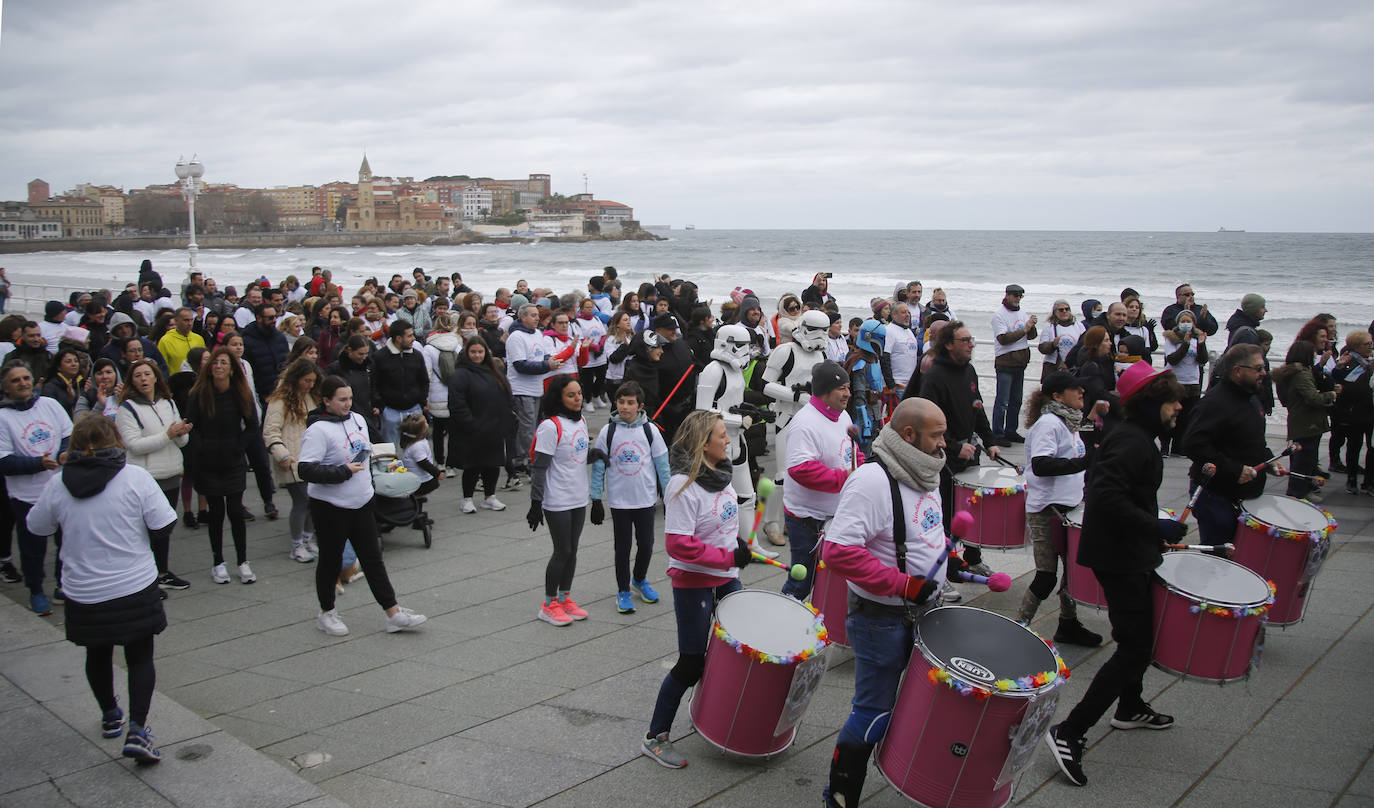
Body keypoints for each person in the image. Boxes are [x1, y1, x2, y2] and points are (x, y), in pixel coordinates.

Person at [1045, 364, 1189, 787]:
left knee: (1139, 640)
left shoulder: (1136, 437)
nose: (1179, 406)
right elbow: (1105, 497)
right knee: (1135, 646)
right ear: (1151, 403)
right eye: (1172, 400)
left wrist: (1151, 531)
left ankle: (1129, 707)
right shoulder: (1131, 440)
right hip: (1119, 555)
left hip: (1129, 549)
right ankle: (1070, 731)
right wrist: (1155, 526)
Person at [818, 399, 965, 806]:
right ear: (908, 435)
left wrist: (950, 559)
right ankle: (840, 794)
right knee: (873, 712)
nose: (944, 443)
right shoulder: (872, 481)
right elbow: (839, 551)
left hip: (923, 613)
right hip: (881, 619)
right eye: (937, 435)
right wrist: (902, 584)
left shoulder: (924, 470)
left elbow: (921, 534)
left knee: (922, 704)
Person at [27, 414, 175, 763]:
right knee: (140, 656)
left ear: (74, 447)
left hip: (85, 590)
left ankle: (110, 714)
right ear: (116, 443)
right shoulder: (135, 478)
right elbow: (164, 523)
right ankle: (139, 728)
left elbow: (36, 526)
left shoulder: (59, 483)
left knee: (97, 653)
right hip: (133, 584)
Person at [640, 409, 753, 768]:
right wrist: (726, 554)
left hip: (725, 576)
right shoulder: (681, 484)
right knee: (692, 663)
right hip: (694, 582)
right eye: (722, 435)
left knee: (737, 652)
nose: (728, 440)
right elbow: (679, 546)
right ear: (705, 444)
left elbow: (720, 522)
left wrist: (738, 545)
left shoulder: (721, 474)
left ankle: (716, 718)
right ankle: (655, 737)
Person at [299, 375, 427, 637]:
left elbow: (371, 446)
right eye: (342, 400)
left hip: (361, 501)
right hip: (330, 506)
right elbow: (305, 469)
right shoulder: (318, 430)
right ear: (326, 401)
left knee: (372, 559)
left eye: (350, 398)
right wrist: (342, 471)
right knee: (330, 561)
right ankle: (327, 613)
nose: (348, 404)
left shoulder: (357, 419)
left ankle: (393, 613)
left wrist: (384, 466)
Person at [1018, 371, 1101, 645]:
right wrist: (1085, 462)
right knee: (1046, 576)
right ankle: (1018, 627)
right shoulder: (1049, 424)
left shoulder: (1069, 423)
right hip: (1046, 510)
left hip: (1068, 509)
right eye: (1075, 390)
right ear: (1057, 396)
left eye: (1082, 389)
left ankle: (1068, 623)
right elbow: (1041, 465)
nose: (1082, 393)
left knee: (1071, 572)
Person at [916, 320, 1000, 581]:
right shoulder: (934, 376)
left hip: (969, 450)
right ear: (950, 344)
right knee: (945, 514)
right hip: (943, 456)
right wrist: (953, 447)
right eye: (966, 340)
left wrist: (989, 439)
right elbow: (926, 421)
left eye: (972, 339)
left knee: (971, 510)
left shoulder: (970, 370)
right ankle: (947, 570)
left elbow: (977, 407)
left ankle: (973, 559)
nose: (972, 344)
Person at [1181, 343, 1284, 551]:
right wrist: (1234, 470)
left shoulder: (1252, 398)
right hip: (1216, 496)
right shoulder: (1214, 403)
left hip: (1243, 496)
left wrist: (1268, 462)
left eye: (1264, 368)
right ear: (1238, 371)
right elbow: (1193, 444)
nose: (1263, 373)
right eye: (1258, 368)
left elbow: (1252, 440)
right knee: (1218, 560)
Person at [780, 361, 862, 600]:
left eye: (848, 387)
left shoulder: (843, 415)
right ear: (825, 391)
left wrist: (861, 466)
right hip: (807, 518)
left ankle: (817, 625)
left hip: (835, 513)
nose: (848, 393)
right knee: (801, 582)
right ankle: (780, 622)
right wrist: (843, 478)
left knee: (830, 579)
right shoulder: (805, 423)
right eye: (842, 389)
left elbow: (853, 450)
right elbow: (800, 469)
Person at [588, 380, 671, 614]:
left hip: (645, 499)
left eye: (630, 403)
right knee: (622, 548)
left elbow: (663, 467)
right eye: (621, 402)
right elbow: (598, 467)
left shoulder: (650, 431)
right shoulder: (608, 431)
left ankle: (639, 579)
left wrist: (669, 497)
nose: (625, 407)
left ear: (640, 406)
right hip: (619, 501)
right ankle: (623, 590)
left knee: (646, 545)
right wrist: (595, 498)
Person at [0, 359, 74, 614]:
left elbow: (68, 434)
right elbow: (4, 461)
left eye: (25, 378)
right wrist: (38, 464)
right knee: (32, 549)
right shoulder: (3, 417)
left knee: (66, 542)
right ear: (6, 388)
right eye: (15, 380)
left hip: (61, 489)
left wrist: (64, 453)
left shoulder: (50, 405)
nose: (22, 383)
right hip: (26, 496)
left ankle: (63, 585)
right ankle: (35, 591)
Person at [115, 359, 192, 593]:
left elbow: (181, 440)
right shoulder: (126, 408)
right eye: (137, 376)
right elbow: (134, 445)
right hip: (146, 476)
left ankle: (162, 571)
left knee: (164, 525)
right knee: (144, 530)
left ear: (156, 377)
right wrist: (168, 435)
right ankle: (144, 577)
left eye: (147, 374)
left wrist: (180, 433)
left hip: (170, 472)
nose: (143, 379)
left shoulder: (167, 402)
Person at [186, 347, 257, 585]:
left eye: (224, 363)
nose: (218, 367)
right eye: (215, 363)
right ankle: (218, 562)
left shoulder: (241, 393)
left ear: (231, 368)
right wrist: (202, 447)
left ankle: (243, 561)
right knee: (216, 513)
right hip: (208, 462)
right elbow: (191, 425)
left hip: (233, 460)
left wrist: (239, 446)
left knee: (236, 512)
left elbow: (252, 427)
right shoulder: (198, 393)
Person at [527, 374, 591, 626]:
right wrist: (535, 503)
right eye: (571, 395)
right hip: (557, 499)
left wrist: (594, 455)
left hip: (578, 496)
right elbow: (540, 467)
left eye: (579, 394)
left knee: (572, 550)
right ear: (559, 398)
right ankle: (549, 604)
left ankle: (565, 598)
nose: (577, 399)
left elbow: (576, 456)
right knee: (562, 550)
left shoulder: (582, 421)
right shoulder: (550, 426)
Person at [264, 359, 321, 563]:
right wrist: (282, 455)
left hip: (311, 458)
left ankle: (307, 539)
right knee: (302, 501)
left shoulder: (310, 397)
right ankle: (297, 544)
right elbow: (271, 431)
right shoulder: (280, 400)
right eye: (307, 380)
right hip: (292, 459)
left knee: (312, 501)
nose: (310, 385)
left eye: (313, 381)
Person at [447, 335, 512, 513]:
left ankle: (489, 497)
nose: (477, 355)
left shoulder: (494, 371)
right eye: (473, 352)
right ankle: (467, 499)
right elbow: (457, 403)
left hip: (494, 427)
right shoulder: (460, 374)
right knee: (473, 466)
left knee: (493, 464)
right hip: (473, 428)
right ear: (467, 353)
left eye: (480, 352)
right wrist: (470, 423)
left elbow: (506, 396)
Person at [1273, 341, 1337, 503]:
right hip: (1307, 422)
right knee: (1305, 458)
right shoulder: (1302, 374)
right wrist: (1331, 395)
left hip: (1300, 420)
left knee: (1302, 457)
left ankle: (1300, 490)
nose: (1315, 355)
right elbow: (1312, 398)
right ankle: (1298, 492)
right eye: (1313, 353)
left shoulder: (1293, 372)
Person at [507, 304, 563, 487]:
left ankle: (522, 459)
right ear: (522, 317)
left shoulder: (538, 334)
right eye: (532, 315)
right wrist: (547, 366)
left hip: (536, 388)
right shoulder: (516, 337)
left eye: (537, 315)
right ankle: (527, 462)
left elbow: (544, 356)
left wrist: (551, 361)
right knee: (527, 429)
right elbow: (520, 365)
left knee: (533, 427)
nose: (537, 318)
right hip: (521, 389)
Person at [991, 284, 1038, 444]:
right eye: (1015, 295)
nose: (1018, 298)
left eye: (1020, 295)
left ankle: (1011, 430)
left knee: (1016, 400)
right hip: (1005, 363)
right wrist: (1024, 329)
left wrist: (1031, 326)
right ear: (1007, 295)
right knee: (1002, 401)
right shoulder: (999, 315)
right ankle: (997, 434)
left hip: (1020, 363)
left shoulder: (1022, 313)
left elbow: (1030, 336)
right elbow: (1003, 339)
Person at [371, 321, 428, 448]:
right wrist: (380, 405)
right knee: (390, 451)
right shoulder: (380, 357)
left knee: (417, 449)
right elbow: (374, 383)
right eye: (409, 336)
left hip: (414, 409)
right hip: (390, 412)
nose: (413, 338)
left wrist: (422, 401)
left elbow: (424, 380)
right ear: (398, 338)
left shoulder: (417, 355)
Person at [1159, 310, 1209, 454]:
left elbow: (1202, 360)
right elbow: (1172, 359)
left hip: (1192, 382)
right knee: (1169, 414)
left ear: (1193, 323)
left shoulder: (1197, 338)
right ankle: (1165, 446)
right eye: (1183, 321)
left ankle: (1178, 447)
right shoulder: (1171, 338)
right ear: (1178, 322)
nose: (1186, 324)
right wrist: (1185, 344)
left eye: (1189, 321)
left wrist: (1201, 344)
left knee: (1186, 417)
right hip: (1174, 381)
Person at [1333, 331, 1373, 495]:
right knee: (1354, 445)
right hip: (1354, 412)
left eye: (1371, 343)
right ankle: (1351, 479)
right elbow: (1347, 386)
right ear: (1356, 346)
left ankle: (1369, 481)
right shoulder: (1349, 362)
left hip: (1370, 411)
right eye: (1367, 344)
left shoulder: (1368, 362)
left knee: (1371, 447)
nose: (1371, 347)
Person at [421, 313, 461, 473]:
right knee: (454, 432)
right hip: (454, 393)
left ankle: (440, 462)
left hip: (437, 393)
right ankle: (452, 463)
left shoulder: (429, 348)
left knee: (438, 431)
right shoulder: (457, 345)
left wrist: (426, 398)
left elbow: (427, 375)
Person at [881, 302, 921, 399]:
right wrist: (890, 384)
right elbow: (884, 358)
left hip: (910, 383)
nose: (907, 315)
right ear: (894, 315)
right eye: (903, 312)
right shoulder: (889, 330)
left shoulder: (908, 331)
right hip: (898, 384)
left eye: (908, 312)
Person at [398, 413, 443, 498]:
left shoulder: (412, 441)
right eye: (425, 422)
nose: (427, 424)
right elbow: (423, 463)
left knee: (418, 498)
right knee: (418, 497)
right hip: (421, 480)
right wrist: (437, 473)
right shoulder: (417, 446)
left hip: (418, 477)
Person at [1038, 299, 1084, 382]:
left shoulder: (1078, 326)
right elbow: (1042, 348)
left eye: (1067, 309)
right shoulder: (1049, 326)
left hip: (1073, 366)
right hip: (1054, 366)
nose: (1064, 311)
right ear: (1055, 312)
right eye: (1061, 310)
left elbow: (1084, 345)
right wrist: (1052, 345)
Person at [157, 308, 205, 374]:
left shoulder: (199, 339)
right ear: (176, 321)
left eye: (191, 320)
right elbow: (162, 366)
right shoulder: (165, 341)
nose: (190, 323)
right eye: (186, 320)